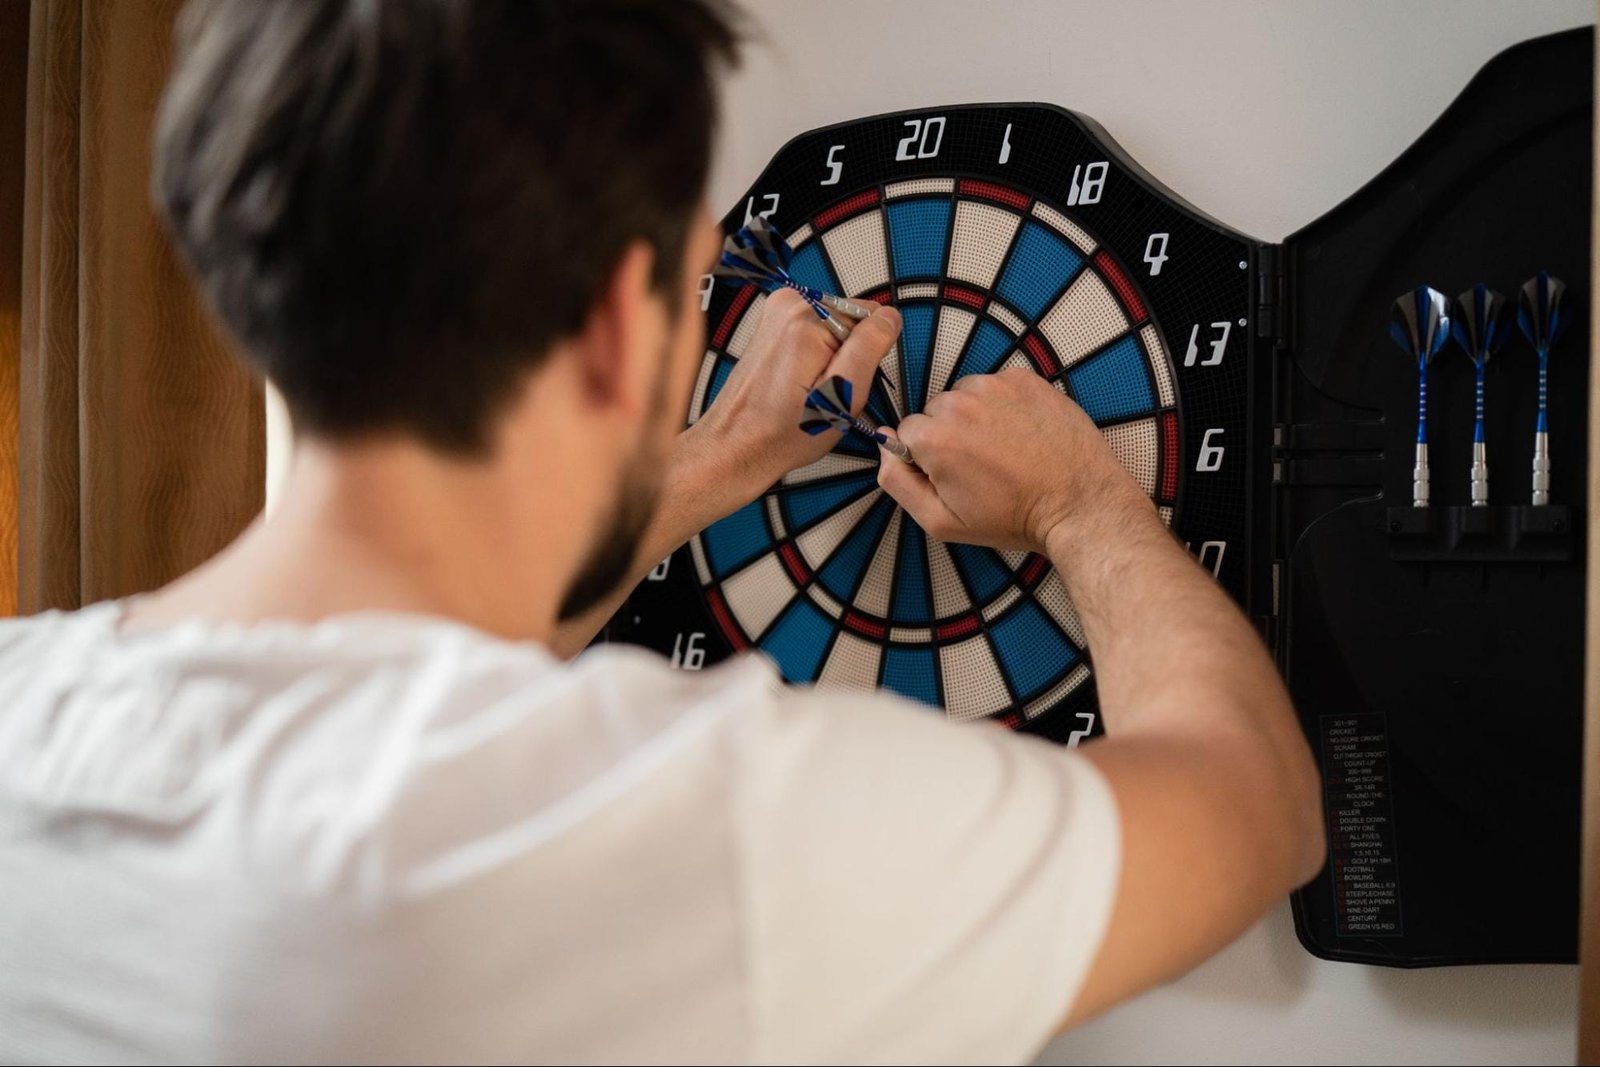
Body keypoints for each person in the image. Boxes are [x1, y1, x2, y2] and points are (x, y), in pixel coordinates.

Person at [0, 1, 1324, 1063]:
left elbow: (409, 672)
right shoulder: (684, 827)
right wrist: (1079, 505)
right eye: (699, 282)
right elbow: (1254, 809)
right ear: (618, 328)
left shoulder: (23, 712)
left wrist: (721, 465)